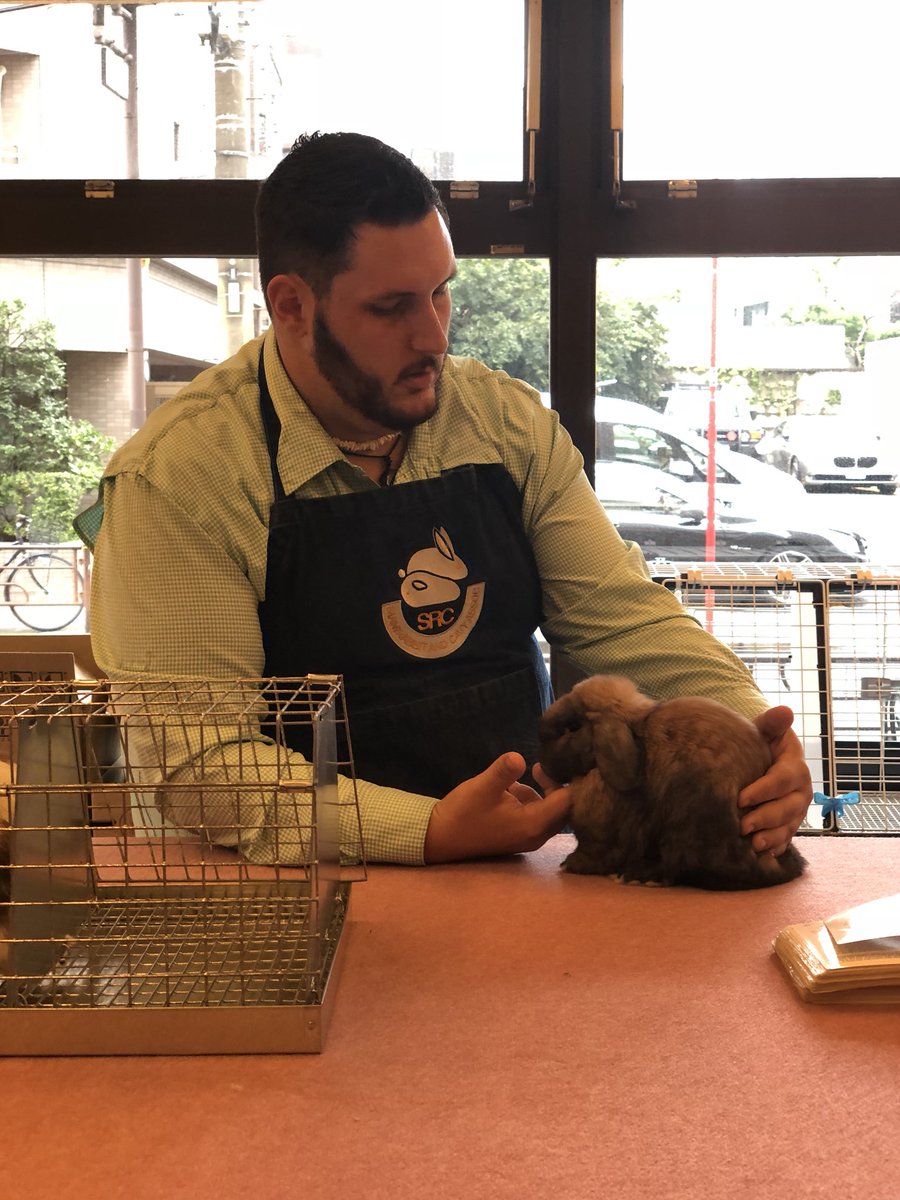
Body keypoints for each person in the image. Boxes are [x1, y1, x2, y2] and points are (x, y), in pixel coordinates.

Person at [75, 131, 811, 867]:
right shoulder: (179, 481)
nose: (432, 335)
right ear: (292, 305)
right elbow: (204, 766)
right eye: (392, 307)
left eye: (441, 292)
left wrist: (756, 736)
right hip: (279, 896)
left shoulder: (504, 425)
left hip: (510, 868)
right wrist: (424, 831)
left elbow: (623, 617)